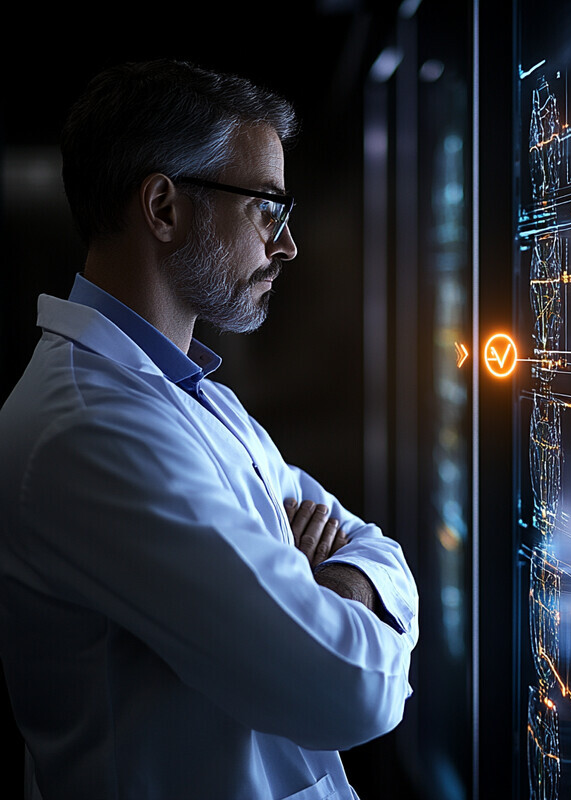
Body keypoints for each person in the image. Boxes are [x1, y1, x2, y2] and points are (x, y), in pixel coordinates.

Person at [0, 60, 418, 800]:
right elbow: (350, 687)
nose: (285, 245)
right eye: (267, 209)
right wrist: (320, 593)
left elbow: (374, 546)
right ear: (163, 208)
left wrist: (335, 585)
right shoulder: (89, 429)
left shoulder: (194, 397)